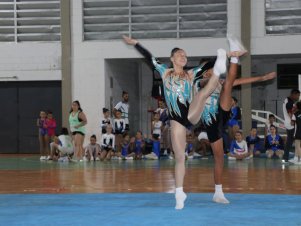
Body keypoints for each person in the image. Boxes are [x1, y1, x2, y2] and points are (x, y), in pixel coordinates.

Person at [123, 35, 228, 209]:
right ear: (172, 58)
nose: (183, 56)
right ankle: (179, 194)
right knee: (180, 157)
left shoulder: (191, 73)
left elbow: (205, 64)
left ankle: (219, 69)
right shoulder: (165, 71)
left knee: (203, 93)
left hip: (191, 113)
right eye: (180, 54)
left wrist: (223, 56)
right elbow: (149, 57)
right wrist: (136, 43)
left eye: (185, 55)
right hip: (176, 121)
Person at [195, 38, 276, 204]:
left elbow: (237, 81)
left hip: (222, 114)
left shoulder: (219, 82)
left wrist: (262, 78)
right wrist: (213, 70)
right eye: (208, 70)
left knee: (228, 84)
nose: (211, 72)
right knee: (219, 158)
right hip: (211, 122)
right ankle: (218, 192)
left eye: (212, 70)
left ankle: (235, 56)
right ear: (203, 73)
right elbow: (205, 81)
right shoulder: (199, 83)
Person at [282, 89, 300, 163]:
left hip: (288, 123)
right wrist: (293, 121)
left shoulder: (287, 100)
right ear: (294, 94)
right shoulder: (289, 102)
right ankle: (292, 158)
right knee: (295, 141)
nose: (298, 97)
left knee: (291, 141)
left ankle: (292, 157)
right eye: (298, 95)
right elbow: (290, 113)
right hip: (291, 123)